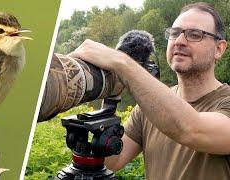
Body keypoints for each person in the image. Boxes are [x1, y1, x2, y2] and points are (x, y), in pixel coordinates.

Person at [68, 2, 230, 179]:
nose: (180, 41)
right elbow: (113, 161)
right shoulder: (148, 107)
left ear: (219, 49)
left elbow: (191, 129)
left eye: (194, 35)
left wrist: (121, 63)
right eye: (174, 33)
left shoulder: (225, 102)